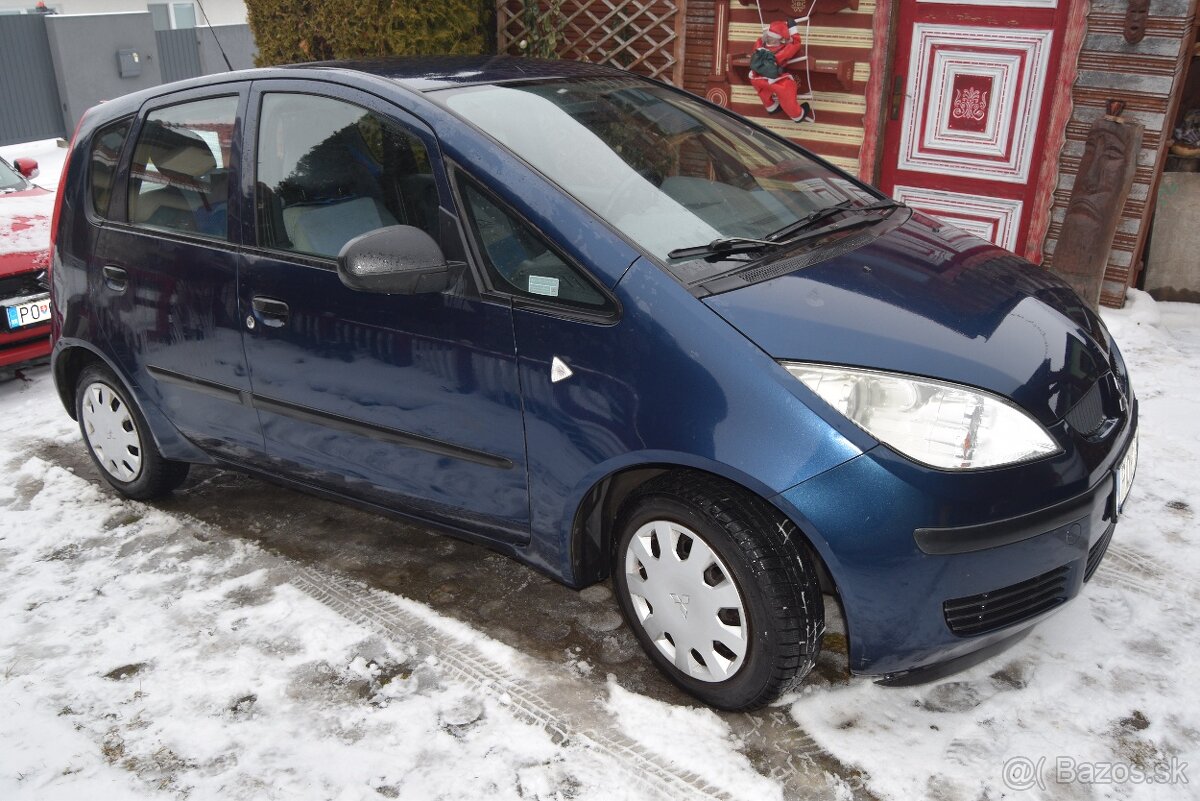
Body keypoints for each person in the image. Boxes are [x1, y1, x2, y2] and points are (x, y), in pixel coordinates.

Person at [749, 20, 814, 124]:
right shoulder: (781, 51)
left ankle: (771, 107)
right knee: (787, 90)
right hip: (772, 79)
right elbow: (796, 44)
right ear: (778, 39)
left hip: (756, 77)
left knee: (764, 91)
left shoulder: (759, 45)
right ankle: (797, 115)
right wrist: (792, 29)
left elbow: (760, 41)